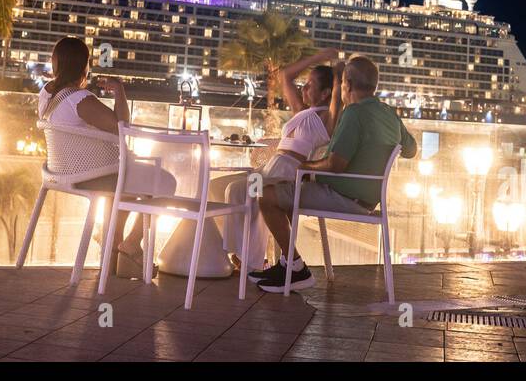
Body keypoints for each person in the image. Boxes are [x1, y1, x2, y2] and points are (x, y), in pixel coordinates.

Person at [252, 54, 417, 292]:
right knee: (286, 193)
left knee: (267, 195)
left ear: (346, 84)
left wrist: (304, 167)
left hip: (344, 197)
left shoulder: (354, 113)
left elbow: (335, 165)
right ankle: (288, 265)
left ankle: (295, 268)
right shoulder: (390, 114)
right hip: (368, 199)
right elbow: (410, 150)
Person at [38, 36, 177, 278]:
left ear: (56, 63)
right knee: (164, 182)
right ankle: (132, 243)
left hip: (61, 172)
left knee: (124, 183)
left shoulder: (46, 94)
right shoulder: (79, 99)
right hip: (91, 175)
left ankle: (112, 247)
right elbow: (121, 126)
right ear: (84, 65)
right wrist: (120, 91)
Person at [209, 47, 341, 273]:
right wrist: (318, 58)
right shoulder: (301, 112)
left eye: (310, 84)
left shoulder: (326, 118)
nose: (304, 87)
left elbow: (338, 95)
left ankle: (249, 261)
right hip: (272, 166)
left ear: (325, 93)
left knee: (241, 192)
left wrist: (337, 67)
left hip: (288, 172)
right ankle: (240, 253)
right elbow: (286, 76)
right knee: (223, 188)